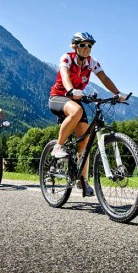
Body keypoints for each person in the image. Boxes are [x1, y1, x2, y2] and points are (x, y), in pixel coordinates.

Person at [49, 32, 128, 196]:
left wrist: (117, 93)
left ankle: (82, 181)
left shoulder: (92, 63)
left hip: (75, 100)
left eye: (89, 46)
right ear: (74, 46)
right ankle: (58, 147)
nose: (86, 48)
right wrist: (71, 89)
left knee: (84, 142)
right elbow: (64, 75)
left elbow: (104, 78)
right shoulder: (67, 58)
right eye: (82, 45)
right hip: (59, 98)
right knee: (76, 110)